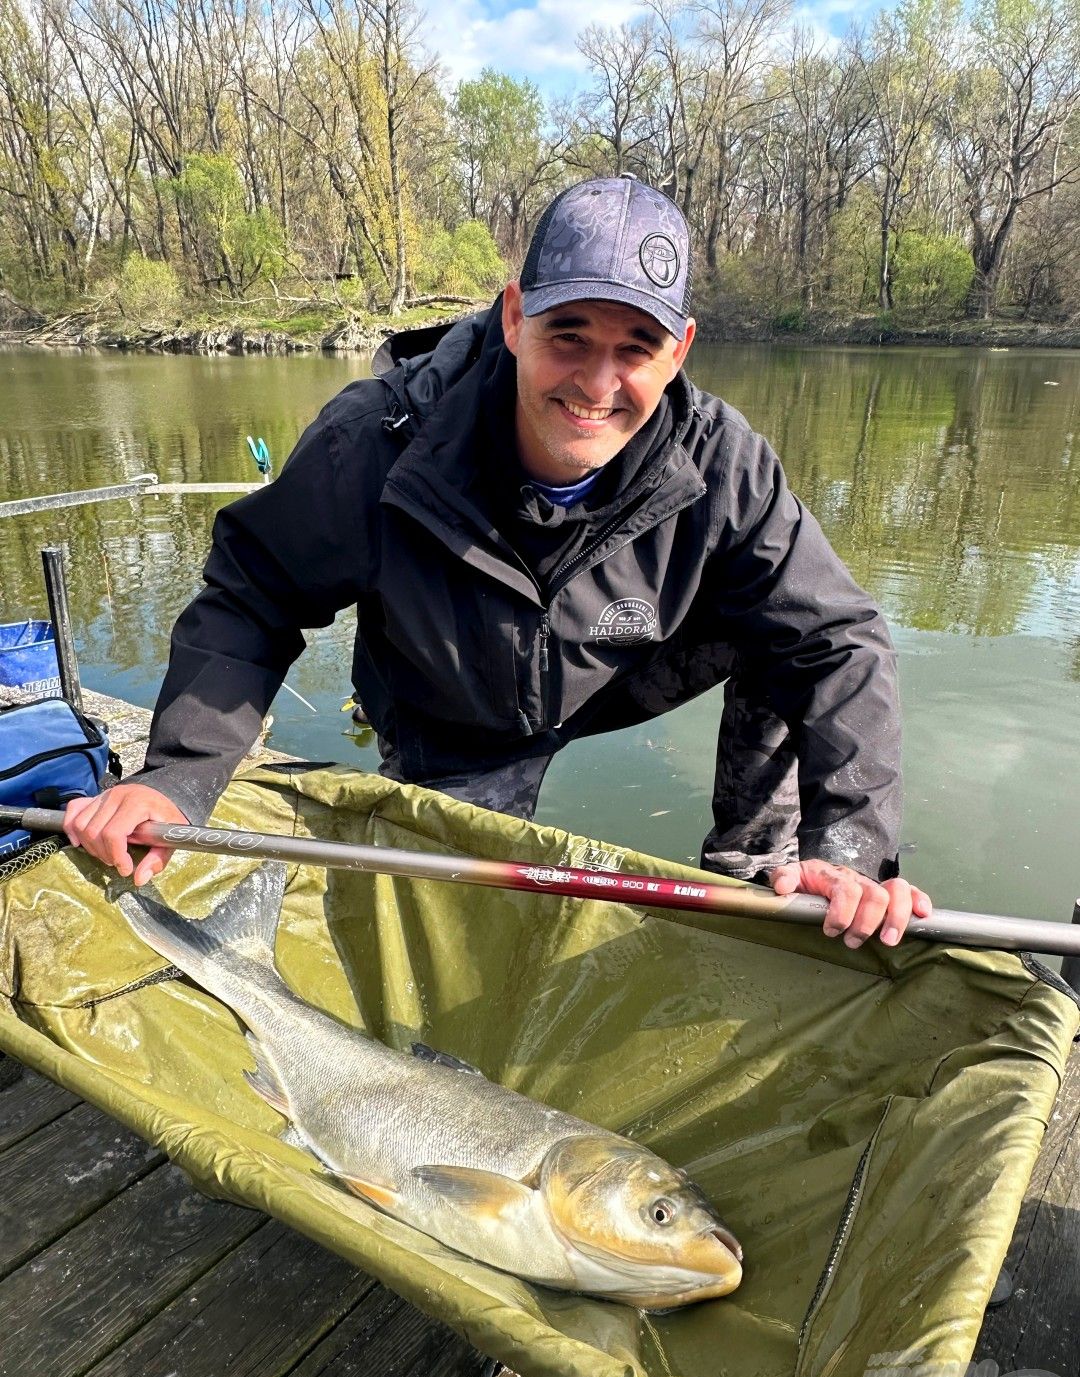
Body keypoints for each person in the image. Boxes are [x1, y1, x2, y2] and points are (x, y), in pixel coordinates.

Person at [65, 177, 931, 947]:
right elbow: (251, 597)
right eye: (569, 334)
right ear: (514, 317)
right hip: (455, 701)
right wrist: (178, 776)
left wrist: (851, 845)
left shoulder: (724, 462)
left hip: (625, 658)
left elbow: (838, 640)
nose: (597, 383)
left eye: (636, 347)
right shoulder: (374, 441)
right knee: (449, 933)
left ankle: (766, 871)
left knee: (786, 637)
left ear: (681, 350)